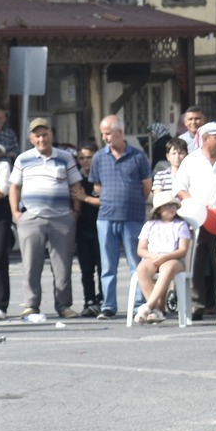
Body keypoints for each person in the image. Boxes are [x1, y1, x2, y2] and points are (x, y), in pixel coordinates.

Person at [8, 119, 81, 323]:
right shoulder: (23, 159)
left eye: (44, 134)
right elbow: (14, 187)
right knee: (31, 264)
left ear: (52, 135)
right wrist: (16, 213)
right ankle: (31, 305)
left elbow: (76, 185)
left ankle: (64, 305)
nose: (41, 138)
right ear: (31, 138)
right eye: (37, 135)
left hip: (61, 218)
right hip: (31, 217)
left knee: (63, 265)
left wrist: (75, 212)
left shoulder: (65, 157)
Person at [89, 116, 151, 322]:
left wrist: (130, 199)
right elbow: (96, 186)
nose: (104, 137)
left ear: (120, 133)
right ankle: (108, 305)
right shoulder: (99, 157)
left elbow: (146, 186)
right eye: (102, 133)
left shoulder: (138, 156)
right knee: (108, 265)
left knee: (136, 263)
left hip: (132, 216)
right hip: (106, 217)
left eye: (108, 133)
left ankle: (139, 304)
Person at [173, 121, 216, 320]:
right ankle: (196, 305)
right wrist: (194, 207)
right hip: (195, 221)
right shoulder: (191, 160)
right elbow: (180, 187)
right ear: (206, 139)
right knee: (195, 264)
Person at [134, 193, 194, 322]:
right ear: (159, 210)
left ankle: (148, 306)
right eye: (167, 206)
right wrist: (154, 256)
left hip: (173, 258)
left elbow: (182, 250)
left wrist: (165, 257)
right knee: (142, 269)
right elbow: (141, 249)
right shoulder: (150, 225)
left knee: (167, 269)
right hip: (153, 257)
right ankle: (157, 310)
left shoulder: (181, 225)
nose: (171, 209)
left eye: (173, 206)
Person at [72, 144, 103, 317]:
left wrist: (84, 198)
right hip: (82, 227)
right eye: (81, 158)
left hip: (101, 225)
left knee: (102, 267)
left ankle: (104, 300)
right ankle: (89, 300)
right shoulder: (76, 178)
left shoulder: (101, 176)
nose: (85, 161)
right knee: (86, 268)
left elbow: (105, 200)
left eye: (89, 157)